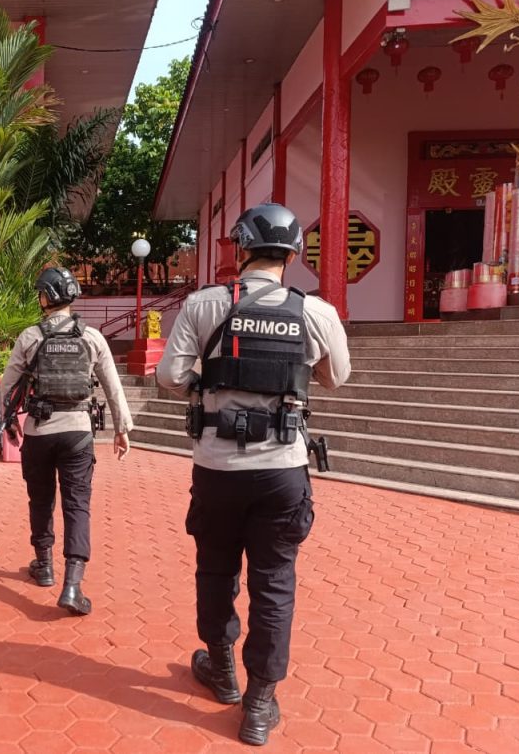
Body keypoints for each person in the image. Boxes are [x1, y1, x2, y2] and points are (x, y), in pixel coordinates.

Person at [156, 203, 351, 746]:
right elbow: (336, 377)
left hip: (217, 469)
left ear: (240, 248)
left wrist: (208, 373)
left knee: (216, 571)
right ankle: (261, 704)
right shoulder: (317, 313)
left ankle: (221, 672)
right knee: (274, 582)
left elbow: (170, 378)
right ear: (293, 256)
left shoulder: (204, 305)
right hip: (282, 471)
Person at [0, 266, 134, 616]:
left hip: (39, 432)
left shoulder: (30, 337)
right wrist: (121, 428)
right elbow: (112, 386)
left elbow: (9, 385)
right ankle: (73, 584)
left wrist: (9, 422)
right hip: (78, 432)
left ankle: (43, 565)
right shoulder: (92, 337)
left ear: (46, 297)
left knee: (40, 500)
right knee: (77, 505)